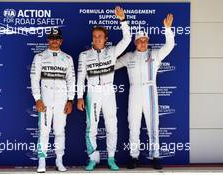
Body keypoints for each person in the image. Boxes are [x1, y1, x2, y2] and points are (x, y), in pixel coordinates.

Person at [115, 14, 175, 170]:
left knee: (153, 124)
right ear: (135, 42)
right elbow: (111, 66)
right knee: (133, 124)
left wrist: (167, 29)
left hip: (150, 90)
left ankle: (155, 156)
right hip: (134, 91)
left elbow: (169, 46)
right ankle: (133, 157)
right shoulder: (129, 56)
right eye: (140, 40)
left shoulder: (155, 54)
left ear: (148, 41)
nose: (142, 43)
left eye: (145, 40)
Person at [77, 6, 131, 171]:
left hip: (108, 91)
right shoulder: (84, 55)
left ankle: (111, 158)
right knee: (91, 127)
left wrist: (123, 20)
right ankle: (93, 159)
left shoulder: (112, 51)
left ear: (105, 39)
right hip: (92, 92)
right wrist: (79, 97)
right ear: (92, 38)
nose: (97, 39)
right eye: (95, 36)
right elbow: (80, 78)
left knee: (111, 125)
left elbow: (127, 39)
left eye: (100, 36)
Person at [30, 28, 75, 173]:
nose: (54, 41)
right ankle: (41, 161)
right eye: (51, 38)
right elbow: (34, 79)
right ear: (48, 40)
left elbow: (71, 80)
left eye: (57, 38)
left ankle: (59, 160)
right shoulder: (39, 57)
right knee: (44, 131)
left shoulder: (68, 58)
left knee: (60, 131)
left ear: (61, 41)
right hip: (46, 99)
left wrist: (70, 100)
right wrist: (38, 99)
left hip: (62, 100)